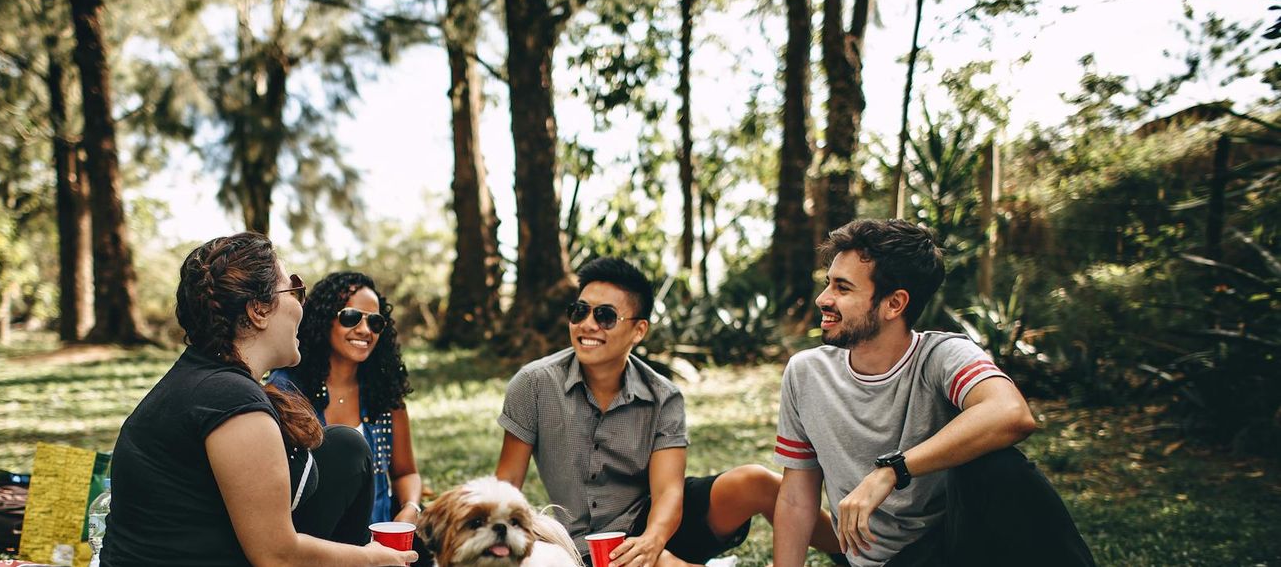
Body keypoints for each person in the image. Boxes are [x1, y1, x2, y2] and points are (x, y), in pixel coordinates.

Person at [771, 219, 1096, 567]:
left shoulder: (941, 356)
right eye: (828, 284)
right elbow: (796, 499)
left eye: (843, 288)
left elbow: (1011, 413)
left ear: (894, 304)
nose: (823, 298)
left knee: (1000, 466)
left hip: (952, 546)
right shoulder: (806, 373)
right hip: (883, 562)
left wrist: (892, 470)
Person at [496, 257, 842, 567]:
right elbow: (506, 487)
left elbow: (668, 492)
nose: (587, 324)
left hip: (656, 525)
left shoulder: (663, 397)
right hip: (576, 546)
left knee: (756, 481)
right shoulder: (533, 385)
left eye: (605, 316)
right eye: (579, 311)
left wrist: (651, 542)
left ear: (638, 330)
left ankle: (852, 554)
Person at [100, 232, 416, 567]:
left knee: (343, 447)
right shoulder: (230, 401)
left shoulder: (202, 380)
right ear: (258, 310)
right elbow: (276, 556)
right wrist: (369, 558)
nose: (302, 306)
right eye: (294, 290)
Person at [268, 271, 424, 526]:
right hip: (315, 539)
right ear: (323, 320)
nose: (364, 330)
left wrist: (410, 508)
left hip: (380, 538)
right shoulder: (287, 390)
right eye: (351, 317)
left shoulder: (384, 391)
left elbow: (405, 473)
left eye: (375, 322)